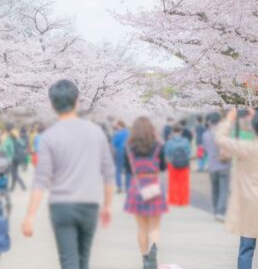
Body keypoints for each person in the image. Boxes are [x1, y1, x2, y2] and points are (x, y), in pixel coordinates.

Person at [22, 79, 116, 269]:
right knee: (83, 260)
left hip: (61, 205)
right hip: (89, 204)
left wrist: (30, 216)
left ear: (52, 104)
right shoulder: (96, 132)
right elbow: (109, 173)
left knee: (68, 261)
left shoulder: (49, 136)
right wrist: (107, 205)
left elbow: (41, 179)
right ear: (77, 101)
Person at [216, 109, 258, 269]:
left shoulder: (246, 148)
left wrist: (229, 119)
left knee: (246, 249)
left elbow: (220, 138)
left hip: (249, 206)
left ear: (254, 128)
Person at [124, 117, 167, 269]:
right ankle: (153, 248)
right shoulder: (158, 146)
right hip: (154, 186)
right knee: (154, 227)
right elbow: (163, 167)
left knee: (141, 228)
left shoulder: (129, 148)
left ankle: (145, 259)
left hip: (137, 187)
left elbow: (128, 169)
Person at [202, 111, 231, 221]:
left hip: (212, 166)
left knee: (215, 190)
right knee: (223, 190)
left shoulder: (205, 135)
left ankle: (215, 210)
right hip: (224, 165)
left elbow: (206, 150)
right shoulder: (223, 134)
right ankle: (221, 211)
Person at [164, 124, 191, 206]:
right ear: (181, 132)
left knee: (173, 182)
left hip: (172, 164)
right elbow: (189, 152)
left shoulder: (169, 142)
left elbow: (166, 154)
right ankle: (183, 200)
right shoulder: (185, 141)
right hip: (184, 164)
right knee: (184, 183)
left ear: (172, 131)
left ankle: (173, 200)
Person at [111, 120, 131, 193]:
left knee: (118, 170)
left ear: (119, 126)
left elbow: (114, 144)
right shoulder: (129, 133)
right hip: (129, 152)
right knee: (128, 170)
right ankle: (128, 187)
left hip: (120, 152)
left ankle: (119, 186)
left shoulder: (118, 134)